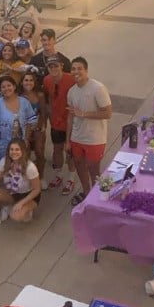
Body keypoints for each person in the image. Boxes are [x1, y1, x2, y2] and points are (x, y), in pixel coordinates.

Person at [65, 57, 112, 205]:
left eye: (79, 68)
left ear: (86, 70)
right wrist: (68, 140)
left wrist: (84, 114)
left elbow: (107, 113)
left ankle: (97, 197)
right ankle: (86, 193)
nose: (76, 71)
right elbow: (70, 117)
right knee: (79, 166)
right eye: (73, 69)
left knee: (94, 170)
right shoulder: (71, 91)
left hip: (94, 139)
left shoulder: (98, 88)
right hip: (76, 138)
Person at [0, 138, 41, 222]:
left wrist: (21, 203)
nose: (14, 152)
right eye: (11, 149)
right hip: (12, 193)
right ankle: (7, 205)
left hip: (28, 195)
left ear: (23, 151)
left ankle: (26, 210)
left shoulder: (30, 167)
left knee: (16, 216)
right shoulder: (4, 161)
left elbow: (37, 189)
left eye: (17, 149)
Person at [0, 75, 37, 167]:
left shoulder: (24, 102)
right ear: (0, 90)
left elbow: (30, 121)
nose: (6, 89)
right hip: (2, 144)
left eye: (9, 85)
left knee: (19, 168)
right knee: (2, 168)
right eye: (3, 87)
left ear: (14, 86)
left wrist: (26, 138)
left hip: (20, 143)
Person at [41, 58, 73, 196]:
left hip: (71, 122)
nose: (53, 68)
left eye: (55, 66)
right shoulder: (47, 80)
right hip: (56, 122)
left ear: (61, 65)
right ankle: (58, 175)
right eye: (50, 66)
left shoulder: (71, 79)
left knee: (70, 150)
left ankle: (71, 178)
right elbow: (47, 99)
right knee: (57, 149)